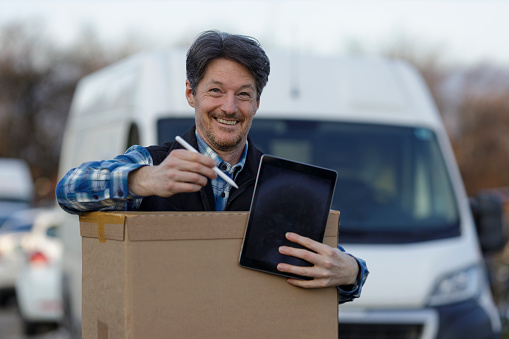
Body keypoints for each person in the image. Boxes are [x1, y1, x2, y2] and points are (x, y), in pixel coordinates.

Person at [56, 30, 368, 303]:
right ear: (191, 94)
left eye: (243, 94)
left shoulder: (282, 185)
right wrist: (142, 180)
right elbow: (68, 190)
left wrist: (351, 272)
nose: (229, 107)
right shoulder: (153, 165)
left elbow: (314, 276)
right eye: (216, 91)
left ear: (257, 103)